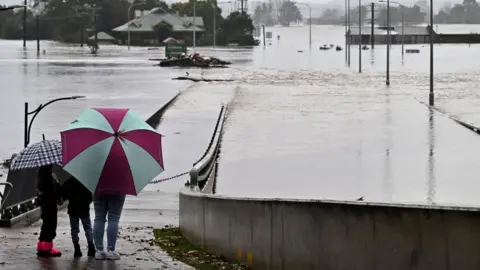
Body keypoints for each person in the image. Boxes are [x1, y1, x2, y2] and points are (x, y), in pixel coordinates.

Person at [61, 177, 95, 258]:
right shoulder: (86, 181)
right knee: (88, 228)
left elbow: (63, 194)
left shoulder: (68, 182)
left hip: (73, 209)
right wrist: (86, 202)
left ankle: (77, 249)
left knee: (74, 229)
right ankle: (91, 248)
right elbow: (90, 197)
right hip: (84, 209)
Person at [36, 165, 62, 257]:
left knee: (46, 224)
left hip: (44, 204)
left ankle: (41, 246)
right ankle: (47, 248)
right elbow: (54, 191)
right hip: (50, 203)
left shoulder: (40, 176)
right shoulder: (49, 176)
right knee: (51, 225)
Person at [93, 194, 126, 260]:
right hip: (118, 190)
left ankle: (99, 251)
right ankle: (111, 251)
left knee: (99, 218)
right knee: (114, 219)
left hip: (99, 189)